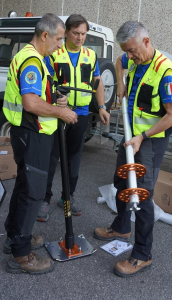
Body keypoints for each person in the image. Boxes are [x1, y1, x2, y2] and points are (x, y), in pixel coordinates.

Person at [94, 21, 172, 277]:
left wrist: (142, 136)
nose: (129, 56)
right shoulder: (132, 59)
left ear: (146, 41)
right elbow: (120, 61)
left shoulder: (165, 73)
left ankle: (143, 254)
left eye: (132, 50)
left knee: (140, 194)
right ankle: (121, 226)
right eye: (127, 52)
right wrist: (120, 82)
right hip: (132, 137)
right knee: (122, 181)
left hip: (149, 140)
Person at [2, 13, 78, 275]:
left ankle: (14, 236)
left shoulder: (33, 56)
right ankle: (21, 256)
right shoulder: (32, 60)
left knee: (25, 185)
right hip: (32, 133)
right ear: (44, 35)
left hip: (30, 132)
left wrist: (55, 99)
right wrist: (61, 113)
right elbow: (30, 103)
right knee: (33, 192)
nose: (61, 45)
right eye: (58, 39)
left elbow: (38, 95)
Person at [36, 14, 110, 222]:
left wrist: (102, 107)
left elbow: (98, 83)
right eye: (76, 33)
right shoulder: (54, 53)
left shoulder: (90, 55)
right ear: (66, 32)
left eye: (83, 34)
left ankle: (67, 197)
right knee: (52, 157)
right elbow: (46, 83)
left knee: (74, 157)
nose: (80, 37)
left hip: (82, 113)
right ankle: (44, 199)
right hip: (58, 114)